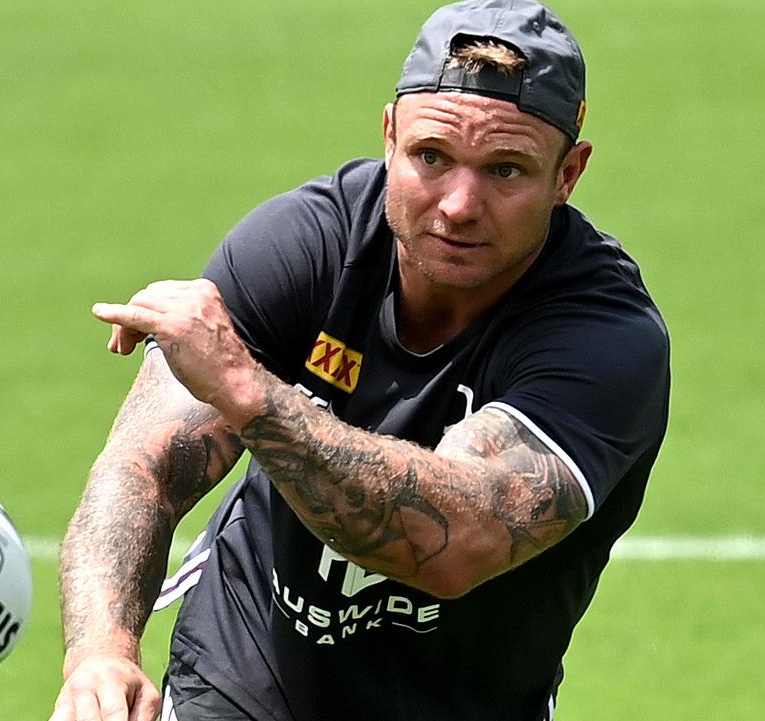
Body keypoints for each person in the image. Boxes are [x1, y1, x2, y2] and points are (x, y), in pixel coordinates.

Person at [50, 1, 670, 719]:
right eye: (431, 157)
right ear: (389, 136)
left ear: (568, 174)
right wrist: (101, 651)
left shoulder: (604, 339)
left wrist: (252, 392)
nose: (460, 204)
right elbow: (144, 464)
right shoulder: (307, 245)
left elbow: (450, 543)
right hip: (247, 676)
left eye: (505, 170)